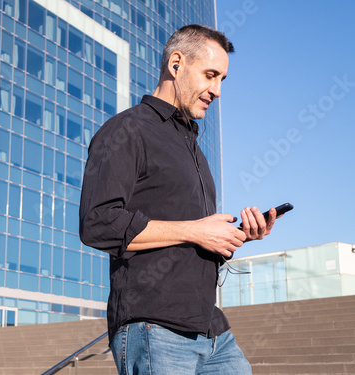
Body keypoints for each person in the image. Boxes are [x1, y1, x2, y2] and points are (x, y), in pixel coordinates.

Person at [79, 24, 277, 375]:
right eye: (210, 75)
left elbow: (188, 237)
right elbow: (97, 223)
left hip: (213, 331)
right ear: (176, 64)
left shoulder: (193, 149)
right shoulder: (127, 130)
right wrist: (197, 231)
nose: (216, 91)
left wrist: (232, 236)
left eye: (222, 80)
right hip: (155, 328)